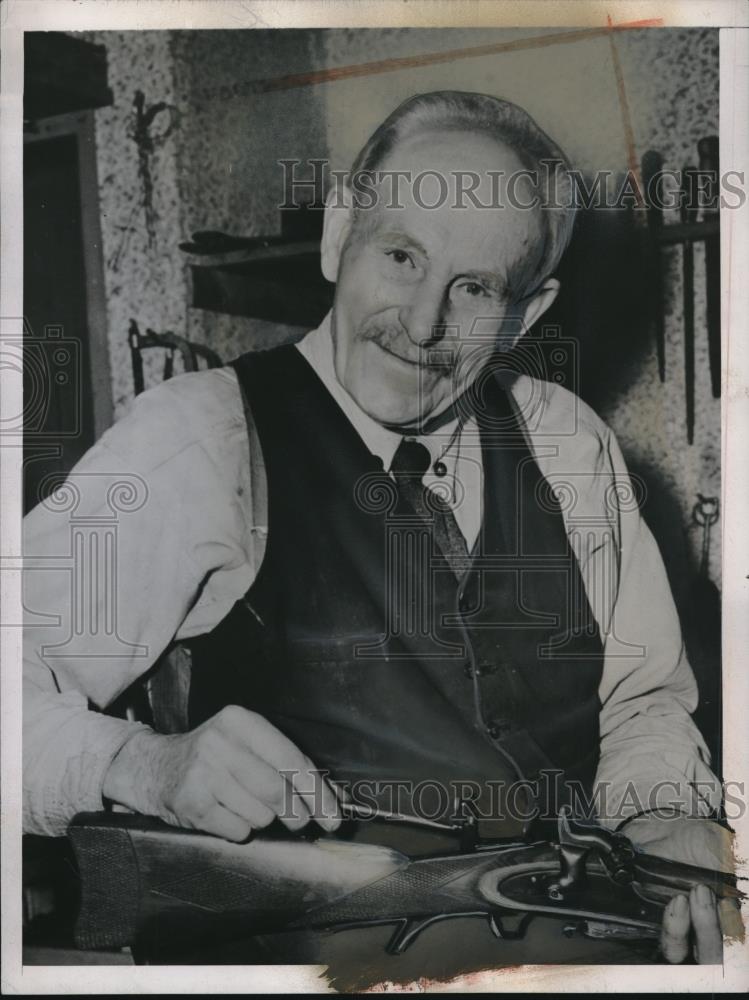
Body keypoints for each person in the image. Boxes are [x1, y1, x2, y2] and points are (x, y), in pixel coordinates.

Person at [23, 91, 735, 972]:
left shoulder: (567, 443)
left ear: (525, 314)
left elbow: (639, 702)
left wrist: (666, 813)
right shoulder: (196, 441)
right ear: (336, 236)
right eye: (401, 256)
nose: (423, 323)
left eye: (473, 288)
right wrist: (141, 763)